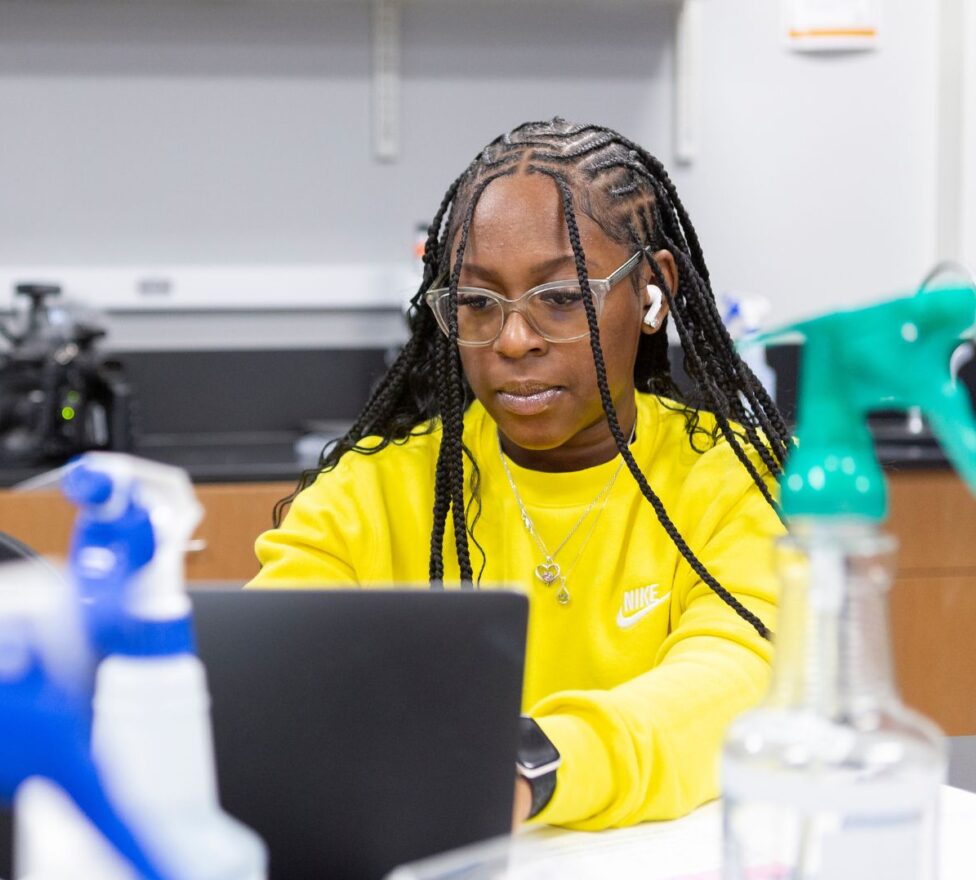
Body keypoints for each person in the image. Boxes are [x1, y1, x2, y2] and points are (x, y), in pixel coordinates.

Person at [250, 119, 789, 831]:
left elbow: (736, 679)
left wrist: (531, 763)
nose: (512, 339)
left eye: (561, 298)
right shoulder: (373, 491)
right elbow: (260, 676)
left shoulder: (729, 476)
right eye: (476, 303)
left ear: (653, 291)